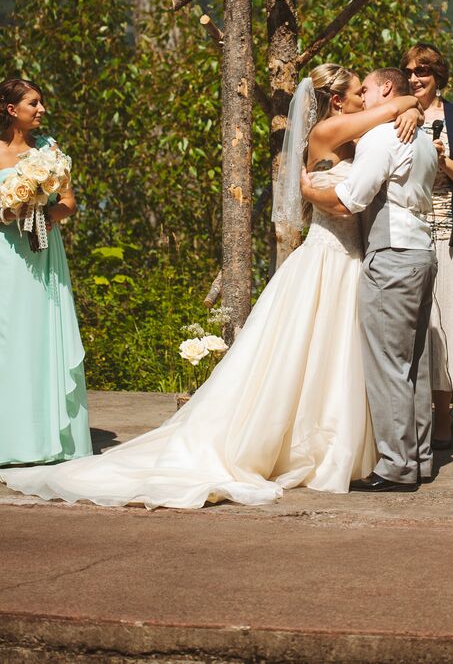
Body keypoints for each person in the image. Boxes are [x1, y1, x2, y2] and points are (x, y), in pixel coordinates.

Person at [0, 63, 421, 508]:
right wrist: (408, 103)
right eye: (358, 94)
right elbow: (347, 192)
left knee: (336, 357)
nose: (365, 101)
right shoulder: (327, 132)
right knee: (312, 354)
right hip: (330, 256)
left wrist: (405, 112)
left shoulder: (355, 137)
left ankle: (350, 444)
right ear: (337, 101)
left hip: (352, 260)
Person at [302, 67, 438, 491]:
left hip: (392, 254)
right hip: (423, 252)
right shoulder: (422, 139)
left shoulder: (381, 137)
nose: (363, 95)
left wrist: (306, 193)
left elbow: (350, 199)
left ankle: (396, 466)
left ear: (385, 89)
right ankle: (421, 458)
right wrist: (414, 105)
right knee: (415, 363)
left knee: (387, 365)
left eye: (367, 88)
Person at [0, 77, 92, 467]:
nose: (42, 110)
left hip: (39, 255)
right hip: (4, 254)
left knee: (37, 336)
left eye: (41, 103)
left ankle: (45, 438)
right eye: (34, 104)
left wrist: (40, 212)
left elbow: (69, 202)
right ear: (11, 109)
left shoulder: (49, 150)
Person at [399, 43, 453, 448]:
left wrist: (442, 159)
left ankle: (443, 417)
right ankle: (408, 414)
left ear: (439, 76)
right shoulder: (396, 114)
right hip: (406, 229)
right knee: (412, 325)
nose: (416, 78)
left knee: (447, 321)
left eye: (424, 72)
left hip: (449, 231)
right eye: (410, 71)